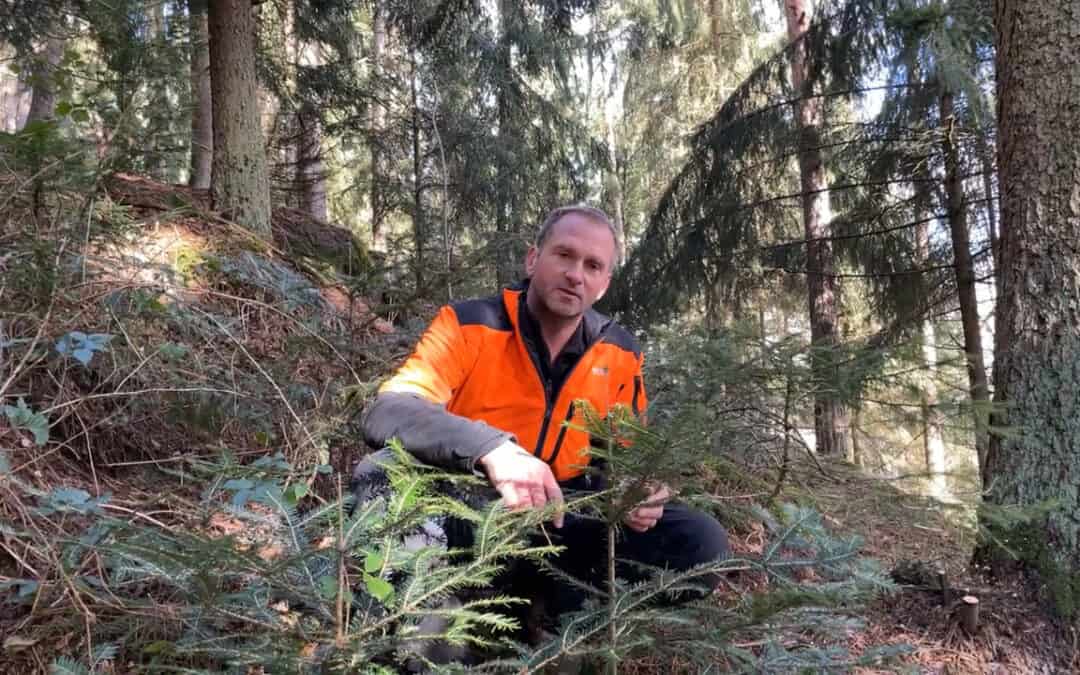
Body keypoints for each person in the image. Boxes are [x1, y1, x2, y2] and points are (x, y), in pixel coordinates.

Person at [357, 204, 729, 629]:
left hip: (567, 519)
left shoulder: (619, 354)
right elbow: (389, 409)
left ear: (603, 285)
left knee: (700, 541)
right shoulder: (469, 325)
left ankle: (559, 624)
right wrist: (493, 449)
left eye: (593, 266)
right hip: (471, 508)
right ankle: (418, 629)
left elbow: (625, 463)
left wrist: (638, 491)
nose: (576, 274)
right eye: (564, 255)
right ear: (534, 259)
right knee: (381, 472)